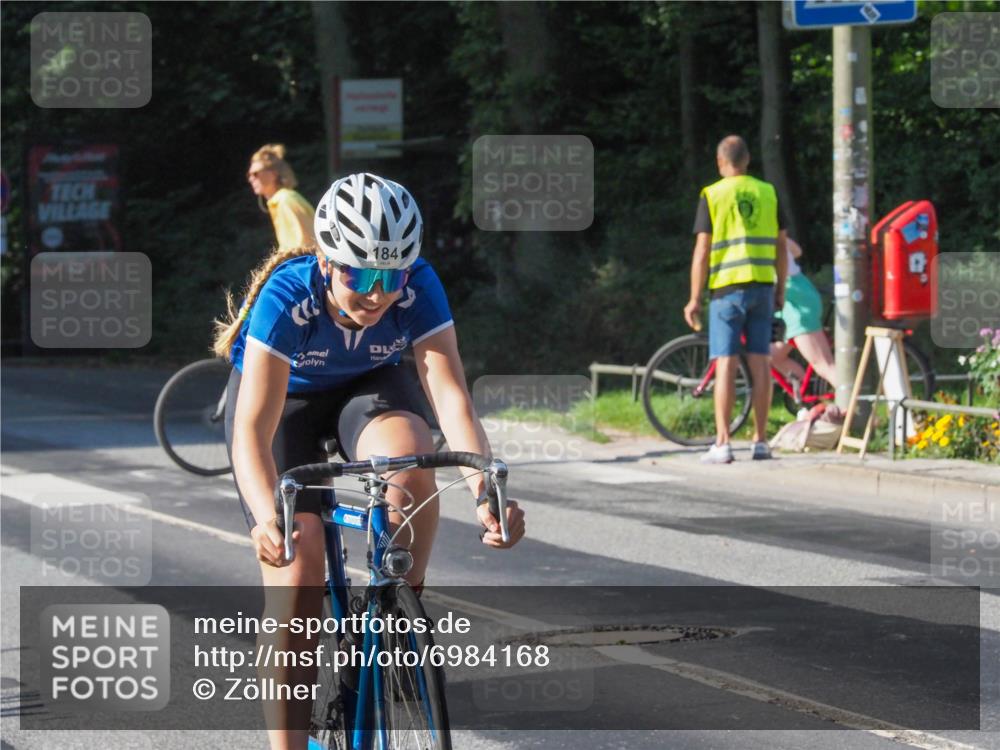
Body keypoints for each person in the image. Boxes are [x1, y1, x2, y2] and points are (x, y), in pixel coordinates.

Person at [213, 172, 525, 749]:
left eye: (393, 274)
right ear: (328, 262)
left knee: (412, 456)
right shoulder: (288, 296)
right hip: (289, 402)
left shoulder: (418, 287)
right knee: (298, 581)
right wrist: (265, 517)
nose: (379, 293)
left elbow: (449, 396)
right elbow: (251, 432)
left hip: (367, 388)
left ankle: (400, 614)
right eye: (362, 273)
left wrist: (486, 491)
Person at [683, 135, 788, 463]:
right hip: (762, 287)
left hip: (727, 291)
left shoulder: (713, 194)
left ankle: (724, 442)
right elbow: (781, 246)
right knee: (761, 363)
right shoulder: (768, 192)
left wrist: (694, 298)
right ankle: (760, 441)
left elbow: (702, 250)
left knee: (726, 363)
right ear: (747, 160)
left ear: (720, 161)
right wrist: (780, 287)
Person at [770, 237, 837, 388]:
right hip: (797, 292)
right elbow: (797, 251)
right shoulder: (770, 227)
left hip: (794, 300)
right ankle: (811, 403)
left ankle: (859, 407)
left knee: (824, 364)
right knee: (773, 355)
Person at [247, 143, 316, 251]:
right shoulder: (279, 201)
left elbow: (306, 246)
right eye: (249, 175)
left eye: (255, 174)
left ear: (274, 174)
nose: (251, 179)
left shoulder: (286, 200)